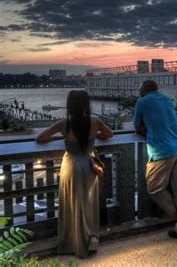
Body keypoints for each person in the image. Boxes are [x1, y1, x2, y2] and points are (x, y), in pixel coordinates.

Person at [36, 90, 113, 258]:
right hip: (88, 165)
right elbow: (109, 134)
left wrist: (60, 139)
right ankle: (91, 237)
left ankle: (73, 242)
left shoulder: (64, 124)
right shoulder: (95, 122)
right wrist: (93, 136)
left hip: (70, 165)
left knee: (72, 203)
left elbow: (40, 138)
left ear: (69, 105)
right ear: (86, 104)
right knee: (88, 202)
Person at [133, 80, 177, 242]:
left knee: (154, 188)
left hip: (161, 151)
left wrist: (151, 130)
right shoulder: (167, 100)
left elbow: (137, 127)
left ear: (144, 89)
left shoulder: (141, 102)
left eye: (140, 88)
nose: (139, 90)